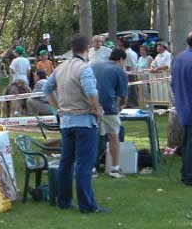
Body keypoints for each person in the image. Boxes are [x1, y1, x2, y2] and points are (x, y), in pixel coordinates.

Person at [44, 34, 110, 214]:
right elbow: (90, 90)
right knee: (84, 164)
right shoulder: (84, 68)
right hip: (84, 122)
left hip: (67, 122)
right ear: (87, 48)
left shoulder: (61, 68)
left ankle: (64, 201)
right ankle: (87, 205)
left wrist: (58, 108)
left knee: (66, 162)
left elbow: (46, 88)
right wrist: (96, 108)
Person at [92, 49, 129, 179]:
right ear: (121, 60)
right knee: (114, 137)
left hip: (92, 106)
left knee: (93, 137)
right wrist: (121, 105)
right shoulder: (119, 71)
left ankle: (91, 168)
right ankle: (115, 168)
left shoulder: (94, 66)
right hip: (109, 107)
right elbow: (123, 95)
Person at [171, 31, 192, 186]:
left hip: (184, 106)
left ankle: (186, 172)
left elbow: (173, 84)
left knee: (189, 143)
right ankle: (190, 176)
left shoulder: (178, 58)